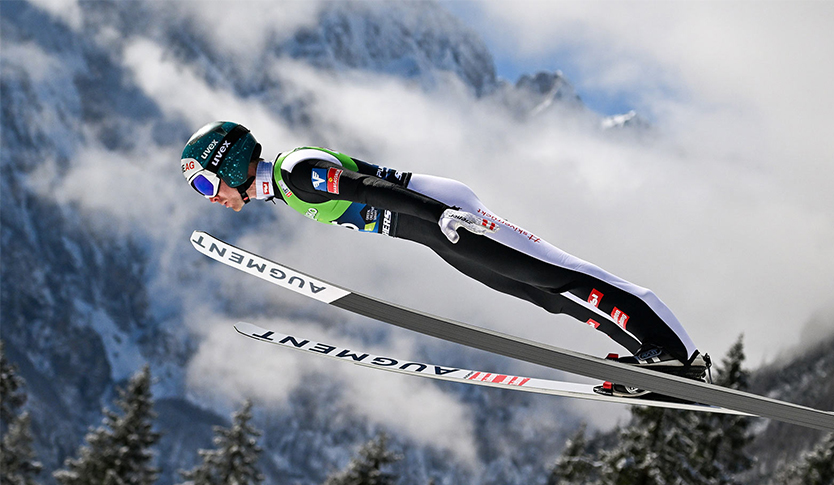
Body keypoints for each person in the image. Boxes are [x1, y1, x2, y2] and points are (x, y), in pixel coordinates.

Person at [180, 121, 711, 396]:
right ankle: (654, 362)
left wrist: (440, 217)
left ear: (230, 165)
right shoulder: (283, 187)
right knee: (542, 294)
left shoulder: (296, 172)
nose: (211, 197)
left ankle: (674, 353)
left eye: (206, 183)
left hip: (443, 217)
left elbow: (367, 188)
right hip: (433, 231)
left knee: (555, 274)